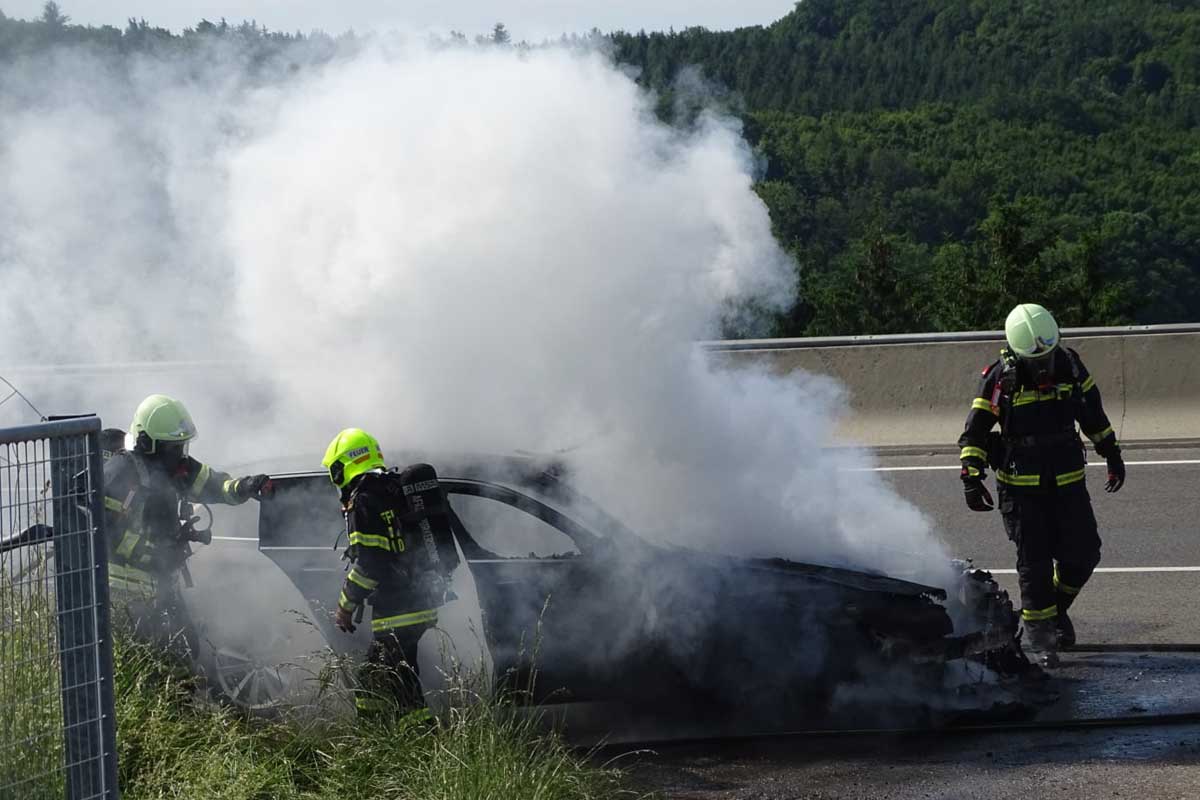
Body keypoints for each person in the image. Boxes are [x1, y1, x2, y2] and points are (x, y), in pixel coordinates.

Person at [958, 304, 1125, 667]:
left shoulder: (1069, 364)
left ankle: (1053, 612)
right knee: (1033, 564)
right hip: (1019, 487)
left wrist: (1111, 453)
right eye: (1036, 360)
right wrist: (971, 477)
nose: (1044, 366)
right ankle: (1039, 638)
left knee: (1083, 554)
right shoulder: (1001, 376)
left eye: (1047, 356)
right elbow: (975, 431)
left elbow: (1092, 412)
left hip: (1068, 482)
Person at [102, 394, 271, 634]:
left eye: (182, 445)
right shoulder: (120, 474)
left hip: (161, 585)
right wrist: (154, 551)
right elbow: (104, 536)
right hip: (123, 594)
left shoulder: (176, 468)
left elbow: (214, 485)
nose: (180, 454)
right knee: (145, 661)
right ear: (147, 442)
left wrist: (244, 486)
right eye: (172, 447)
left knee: (187, 652)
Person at [322, 428, 458, 720]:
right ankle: (375, 736)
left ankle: (422, 745)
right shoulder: (394, 486)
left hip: (397, 608)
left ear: (341, 466)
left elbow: (371, 563)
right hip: (419, 599)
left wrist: (345, 606)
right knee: (373, 677)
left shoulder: (364, 499)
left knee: (400, 684)